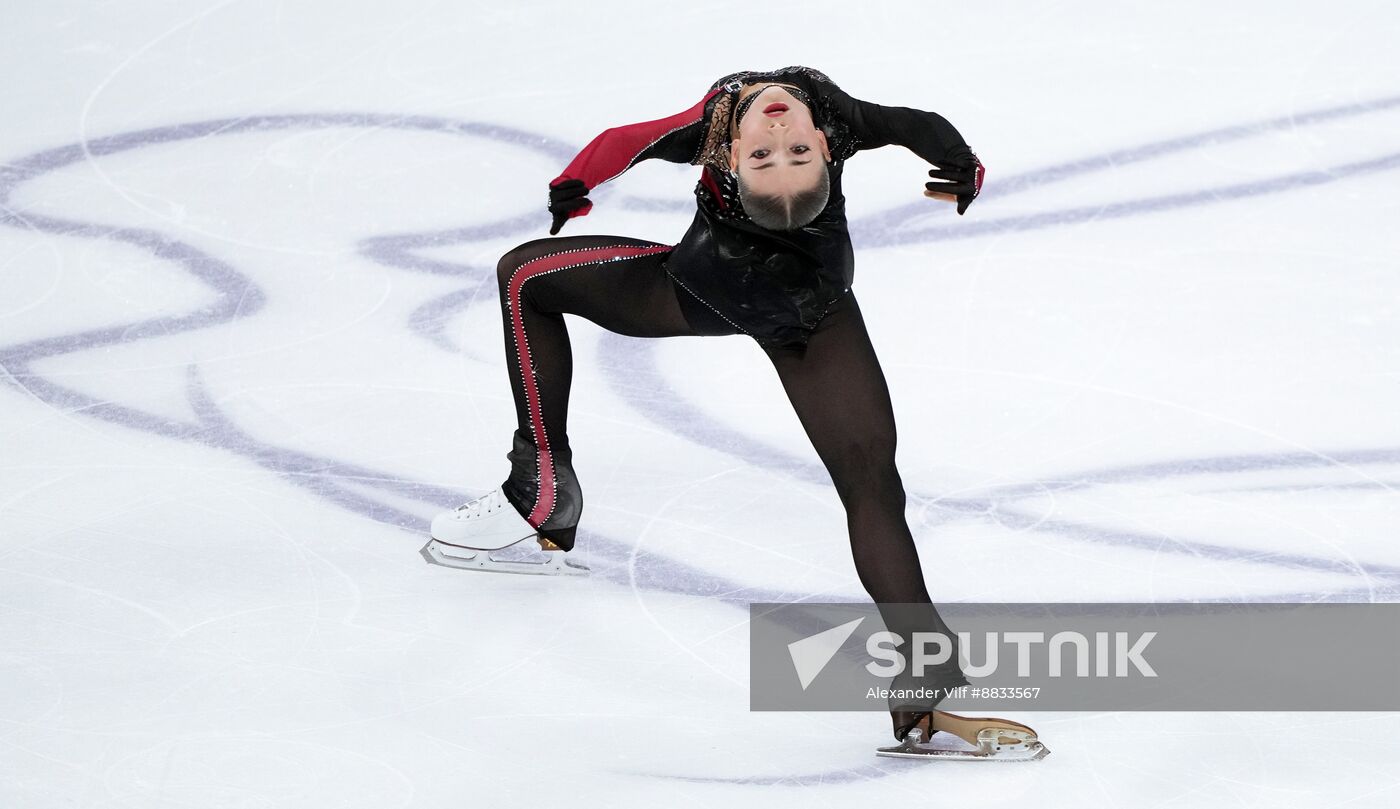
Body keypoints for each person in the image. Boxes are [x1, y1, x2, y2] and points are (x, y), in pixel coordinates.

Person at [423, 66, 1045, 761]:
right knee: (873, 487)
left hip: (706, 294)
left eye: (779, 153)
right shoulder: (833, 114)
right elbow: (912, 124)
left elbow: (625, 141)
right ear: (827, 146)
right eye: (777, 153)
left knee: (524, 273)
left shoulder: (717, 126)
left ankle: (539, 491)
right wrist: (959, 160)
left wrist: (576, 183)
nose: (779, 134)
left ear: (734, 159)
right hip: (815, 307)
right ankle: (927, 677)